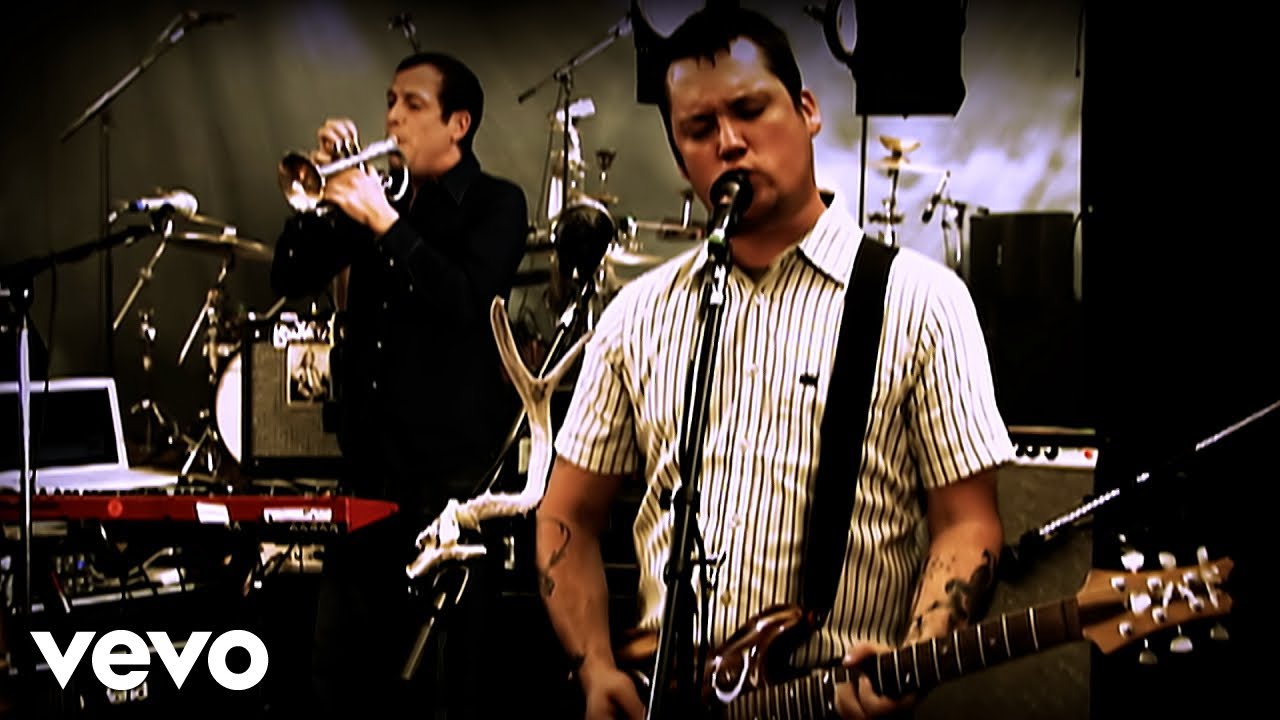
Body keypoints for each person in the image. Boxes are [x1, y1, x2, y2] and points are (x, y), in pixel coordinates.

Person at [535, 7, 1015, 720]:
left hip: (828, 698)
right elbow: (566, 514)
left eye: (750, 109)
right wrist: (596, 668)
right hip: (669, 695)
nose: (729, 141)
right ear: (681, 156)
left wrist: (914, 657)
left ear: (807, 110)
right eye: (699, 128)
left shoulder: (921, 301)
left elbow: (967, 523)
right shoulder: (636, 315)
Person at [270, 51, 528, 718]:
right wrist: (324, 197)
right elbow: (288, 275)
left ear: (458, 123)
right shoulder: (376, 199)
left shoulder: (496, 203)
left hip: (450, 491)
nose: (392, 118)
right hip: (365, 477)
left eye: (413, 105)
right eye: (390, 102)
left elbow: (467, 300)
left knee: (441, 688)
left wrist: (384, 220)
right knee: (339, 677)